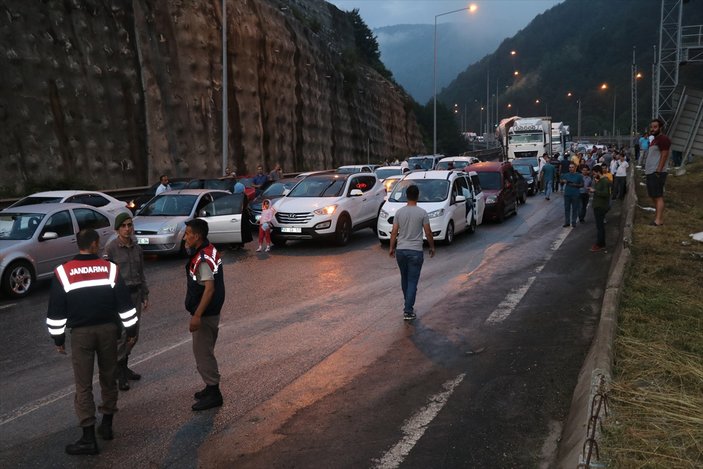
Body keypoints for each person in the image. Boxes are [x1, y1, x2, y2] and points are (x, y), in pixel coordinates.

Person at [46, 228, 137, 455]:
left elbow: (56, 312)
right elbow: (125, 306)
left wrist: (58, 339)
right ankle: (106, 425)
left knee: (83, 385)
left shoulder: (63, 272)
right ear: (96, 244)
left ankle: (88, 437)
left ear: (78, 244)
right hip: (108, 331)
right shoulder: (110, 269)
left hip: (81, 335)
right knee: (109, 378)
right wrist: (132, 330)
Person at [103, 213, 149, 391]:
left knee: (133, 335)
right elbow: (106, 275)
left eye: (129, 225)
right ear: (117, 229)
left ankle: (123, 366)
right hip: (119, 297)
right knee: (123, 335)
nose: (127, 229)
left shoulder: (137, 248)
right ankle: (118, 371)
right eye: (123, 226)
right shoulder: (111, 248)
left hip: (136, 294)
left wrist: (145, 294)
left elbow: (141, 272)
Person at [184, 219, 225, 411]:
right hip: (211, 312)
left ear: (197, 236)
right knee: (205, 351)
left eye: (188, 234)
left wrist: (197, 315)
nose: (185, 236)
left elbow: (209, 289)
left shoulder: (202, 259)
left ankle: (214, 393)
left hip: (206, 314)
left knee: (203, 354)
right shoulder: (209, 250)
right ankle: (210, 388)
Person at [388, 184, 435, 321]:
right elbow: (428, 232)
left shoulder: (399, 212)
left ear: (406, 196)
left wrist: (392, 248)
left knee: (405, 278)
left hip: (401, 251)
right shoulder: (422, 213)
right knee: (412, 281)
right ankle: (408, 310)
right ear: (418, 196)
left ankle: (408, 303)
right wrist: (432, 247)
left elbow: (394, 232)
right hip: (415, 251)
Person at [645, 118, 671, 226]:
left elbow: (664, 154)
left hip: (657, 172)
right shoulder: (654, 140)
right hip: (650, 171)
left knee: (658, 195)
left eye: (655, 127)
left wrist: (658, 170)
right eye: (652, 127)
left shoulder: (663, 139)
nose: (652, 129)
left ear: (660, 128)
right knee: (653, 195)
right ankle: (657, 217)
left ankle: (659, 220)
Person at [589, 165, 611, 252]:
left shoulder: (605, 181)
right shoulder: (599, 181)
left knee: (600, 226)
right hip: (597, 205)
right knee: (599, 226)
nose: (594, 176)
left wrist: (595, 191)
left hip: (601, 206)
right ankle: (600, 243)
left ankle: (600, 244)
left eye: (594, 174)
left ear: (598, 172)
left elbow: (606, 194)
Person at [560, 162, 583, 227]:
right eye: (570, 167)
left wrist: (575, 185)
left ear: (575, 168)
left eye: (572, 167)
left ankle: (573, 222)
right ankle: (567, 222)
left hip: (575, 194)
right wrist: (562, 181)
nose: (571, 169)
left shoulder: (579, 175)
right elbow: (561, 181)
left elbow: (582, 184)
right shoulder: (566, 175)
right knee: (567, 208)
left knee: (574, 208)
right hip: (567, 194)